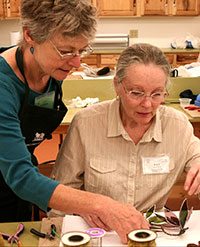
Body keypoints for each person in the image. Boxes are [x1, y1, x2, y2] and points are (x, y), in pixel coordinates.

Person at [0, 0, 149, 243]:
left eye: (82, 50)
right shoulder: (3, 86)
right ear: (30, 35)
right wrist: (102, 205)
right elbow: (21, 177)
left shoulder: (51, 69)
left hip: (19, 183)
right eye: (66, 51)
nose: (77, 62)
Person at [51, 43, 200, 228]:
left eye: (157, 94)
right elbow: (60, 192)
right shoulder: (86, 123)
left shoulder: (177, 125)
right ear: (117, 86)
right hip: (99, 231)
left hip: (151, 230)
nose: (147, 104)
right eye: (136, 93)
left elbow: (196, 155)